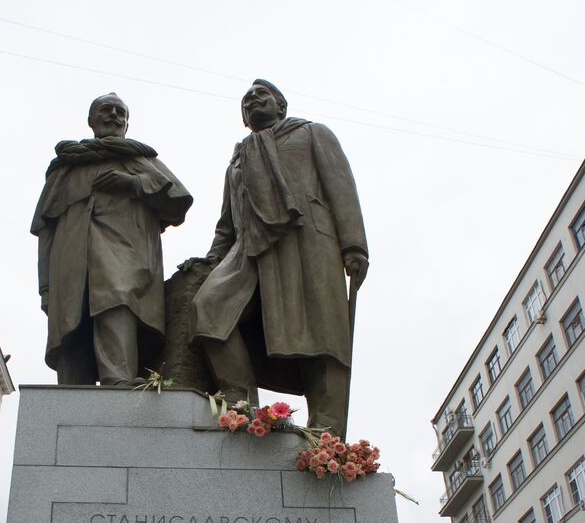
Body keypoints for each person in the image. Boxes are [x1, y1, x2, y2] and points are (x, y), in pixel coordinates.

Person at [191, 79, 369, 437]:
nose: (254, 101)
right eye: (247, 100)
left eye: (262, 95)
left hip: (308, 244)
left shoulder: (312, 133)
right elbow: (227, 222)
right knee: (210, 308)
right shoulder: (239, 160)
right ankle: (239, 405)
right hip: (250, 252)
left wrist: (354, 245)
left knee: (323, 337)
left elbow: (340, 186)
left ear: (281, 106)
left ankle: (326, 433)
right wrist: (211, 259)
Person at [32, 92, 193, 385]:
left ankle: (117, 379)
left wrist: (134, 183)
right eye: (107, 110)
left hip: (124, 254)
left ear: (127, 124)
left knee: (116, 301)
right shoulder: (66, 167)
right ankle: (72, 389)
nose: (114, 116)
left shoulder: (140, 159)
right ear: (91, 121)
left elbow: (179, 200)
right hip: (70, 261)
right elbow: (46, 228)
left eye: (121, 113)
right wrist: (45, 286)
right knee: (71, 323)